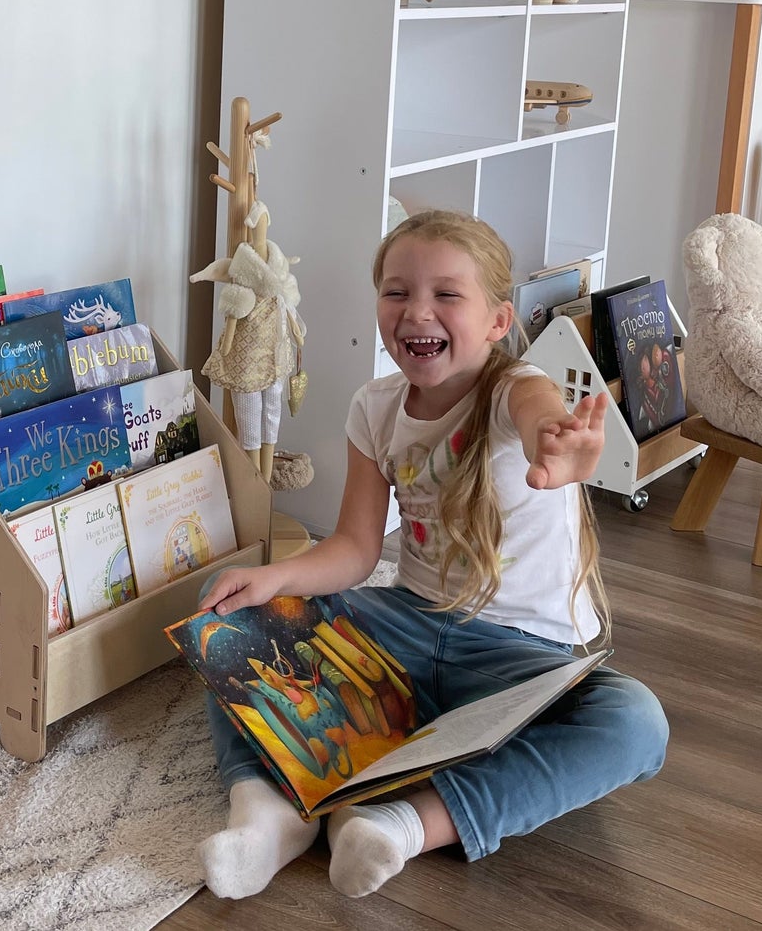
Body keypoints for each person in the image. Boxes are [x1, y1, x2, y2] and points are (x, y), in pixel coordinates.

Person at [195, 210, 669, 900]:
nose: (417, 311)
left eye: (447, 294)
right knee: (226, 607)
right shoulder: (374, 405)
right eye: (396, 291)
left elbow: (539, 412)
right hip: (407, 629)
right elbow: (356, 548)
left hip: (520, 655)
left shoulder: (514, 389)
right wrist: (270, 578)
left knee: (634, 721)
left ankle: (400, 823)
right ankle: (266, 814)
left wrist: (557, 444)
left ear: (498, 320)